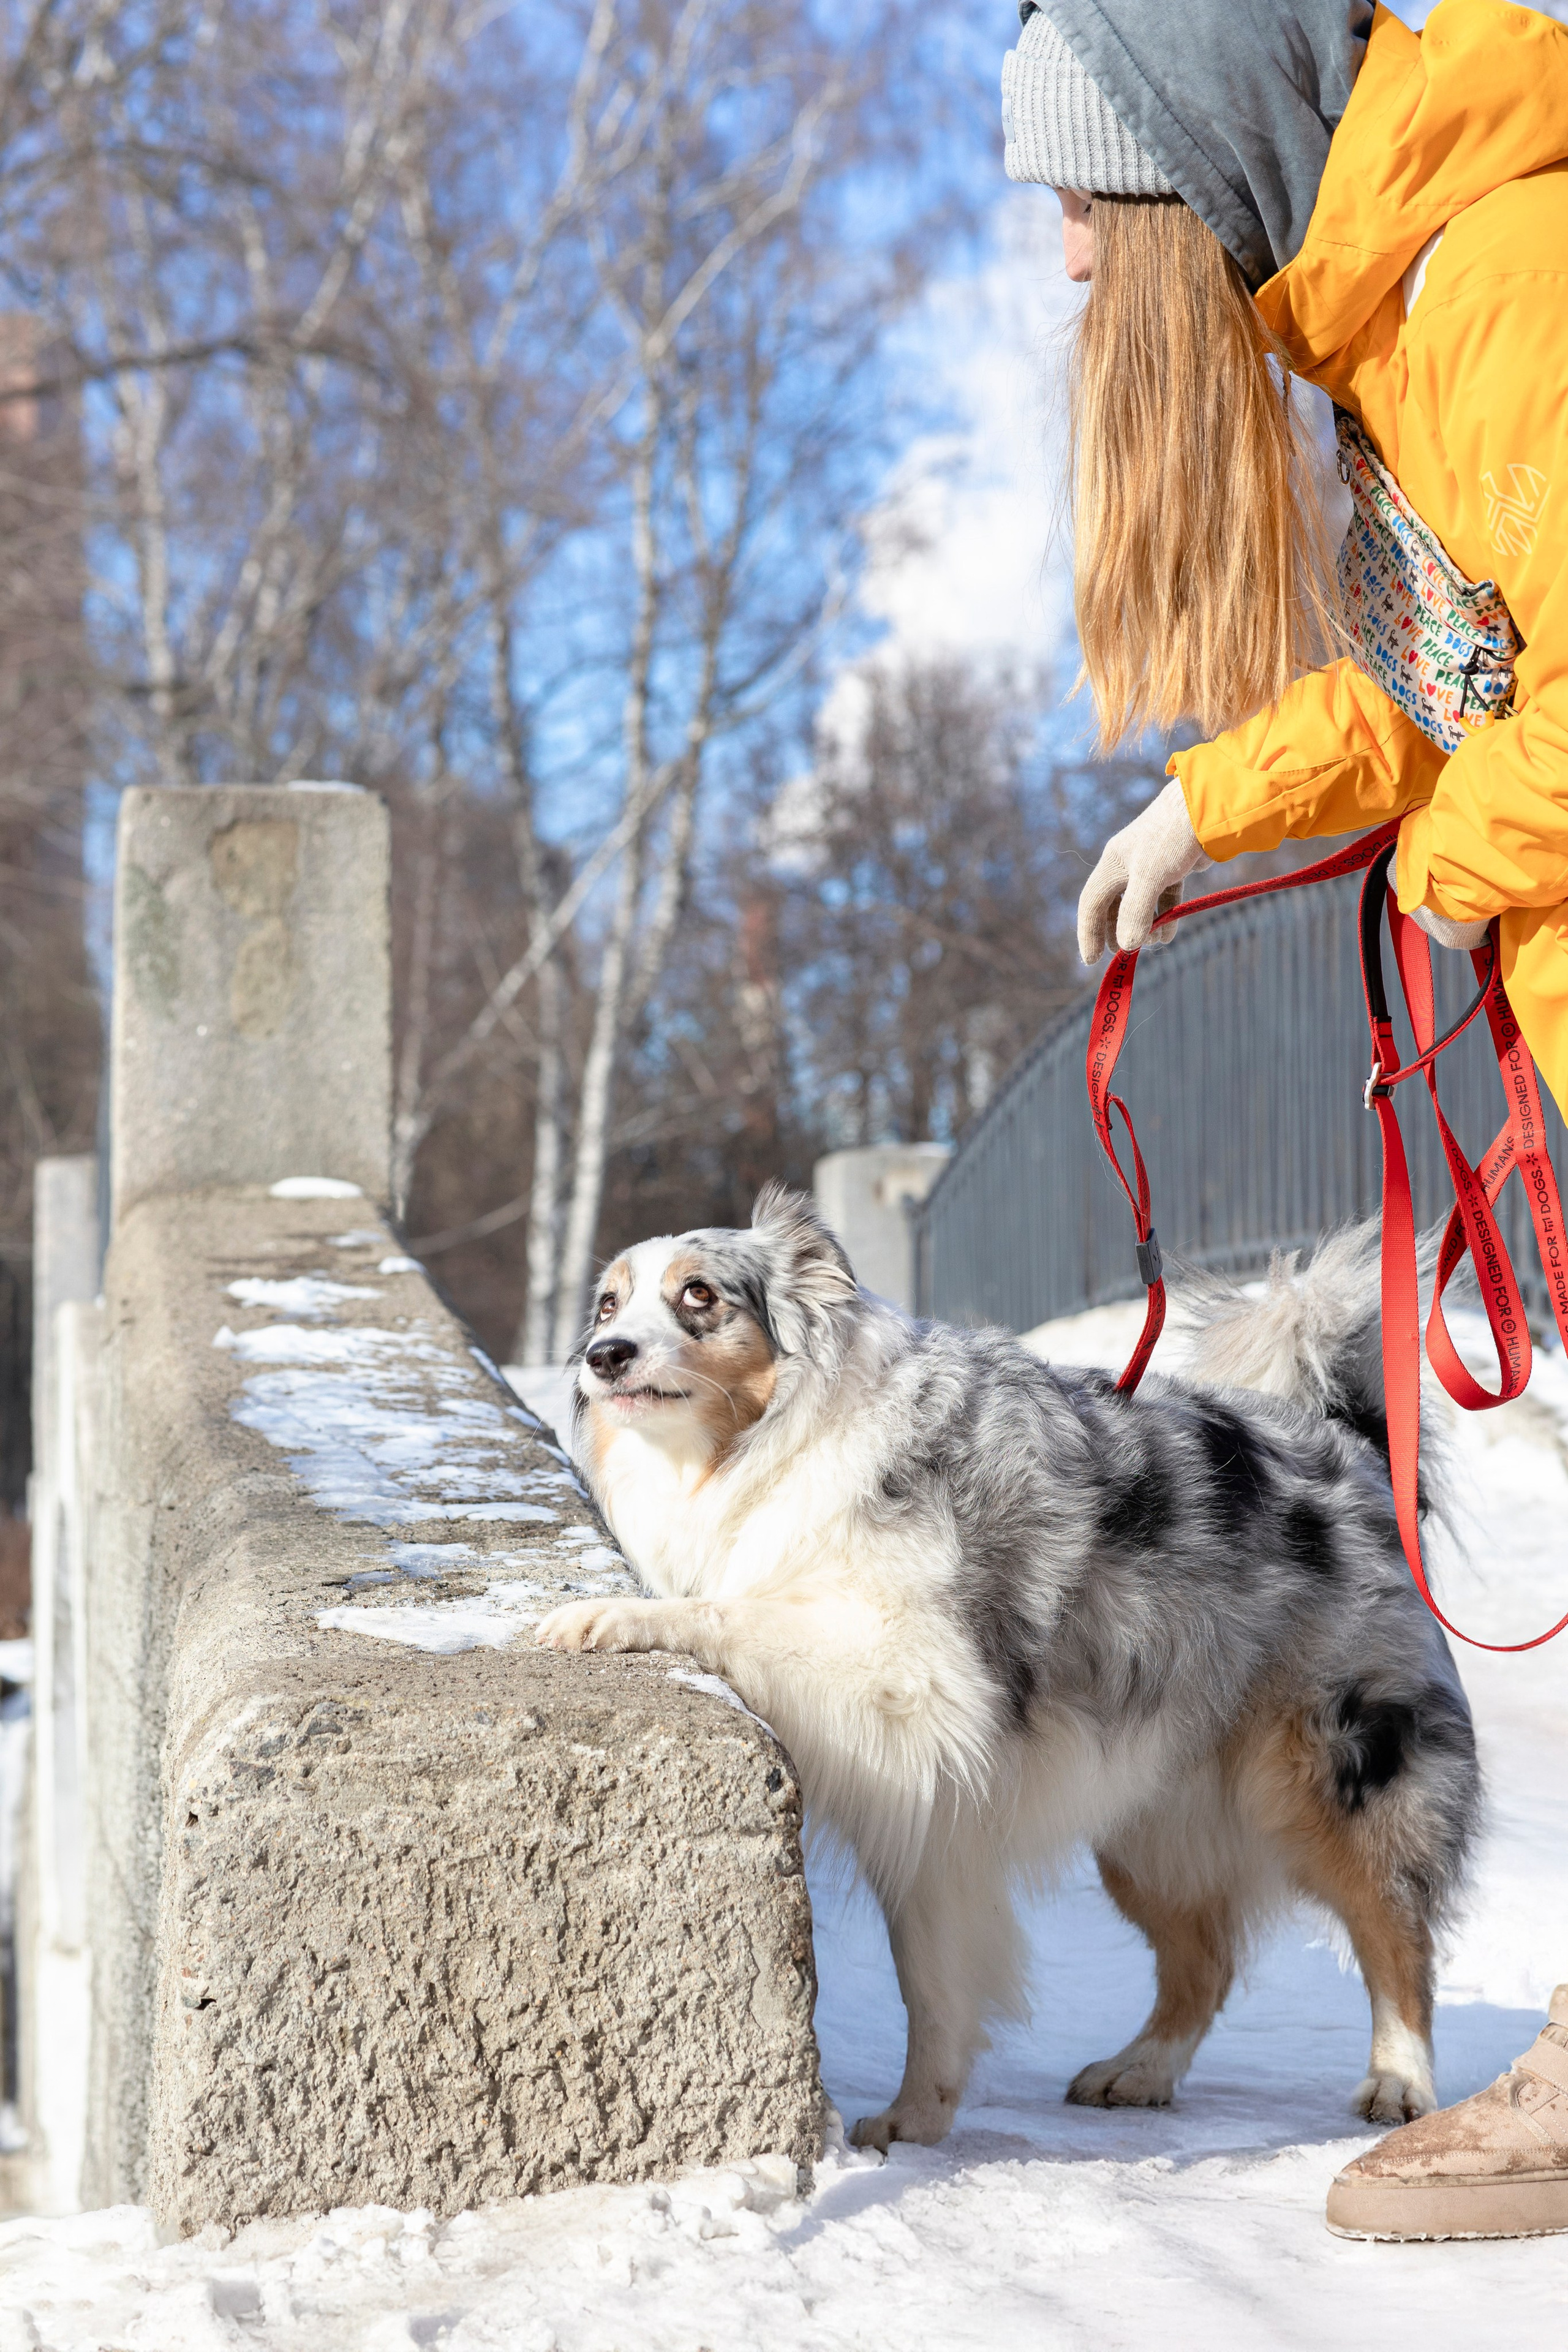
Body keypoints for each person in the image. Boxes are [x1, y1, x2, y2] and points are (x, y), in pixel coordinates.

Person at [1001, 0, 1568, 2242]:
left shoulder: (1507, 276)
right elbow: (1472, 674)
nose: (1067, 264)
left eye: (1086, 197)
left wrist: (1453, 867)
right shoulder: (1415, 303)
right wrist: (1211, 802)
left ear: (1212, 142)